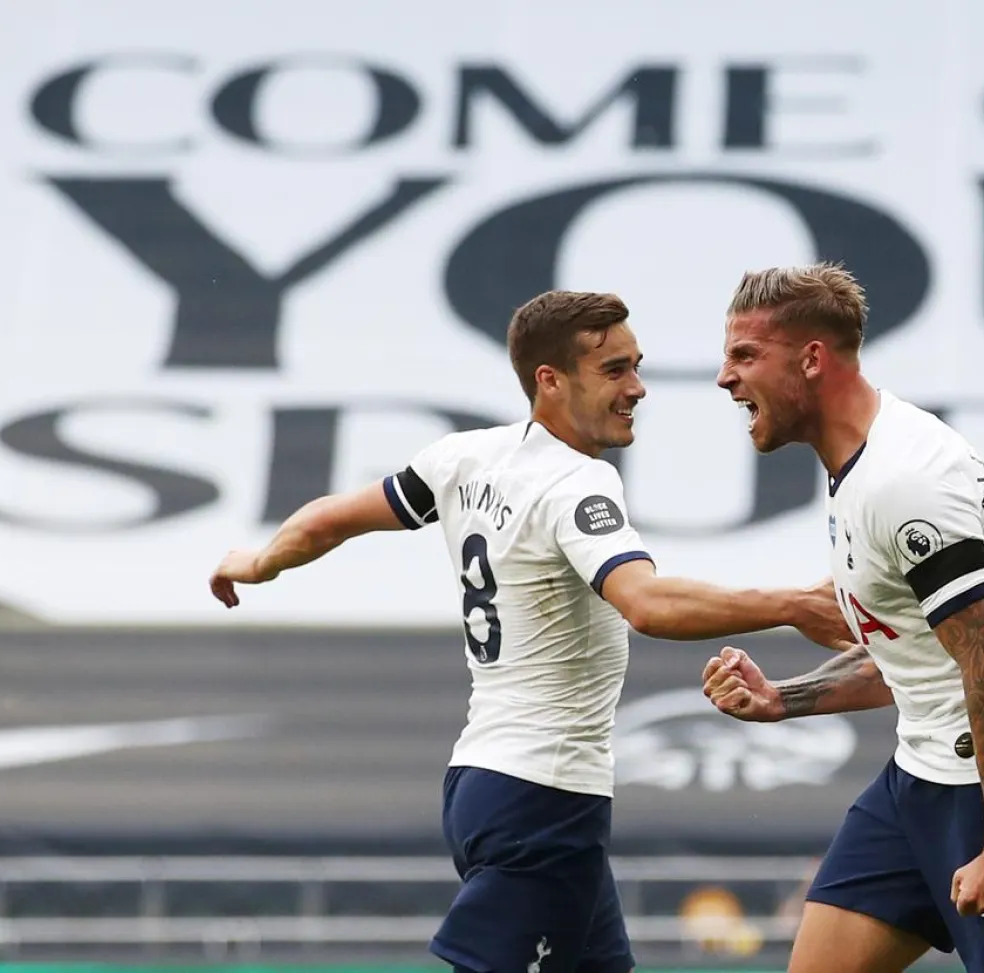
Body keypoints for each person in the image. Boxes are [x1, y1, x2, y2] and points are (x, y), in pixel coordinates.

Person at [207, 290, 849, 973]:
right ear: (550, 380)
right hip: (543, 796)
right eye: (614, 371)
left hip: (489, 780)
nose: (636, 388)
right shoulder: (578, 485)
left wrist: (257, 561)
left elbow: (327, 519)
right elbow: (647, 603)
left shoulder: (466, 458)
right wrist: (791, 603)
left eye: (636, 366)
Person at [701, 263, 984, 973]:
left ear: (812, 358)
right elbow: (913, 658)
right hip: (918, 776)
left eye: (744, 355)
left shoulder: (907, 482)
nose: (724, 378)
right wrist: (781, 699)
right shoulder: (859, 468)